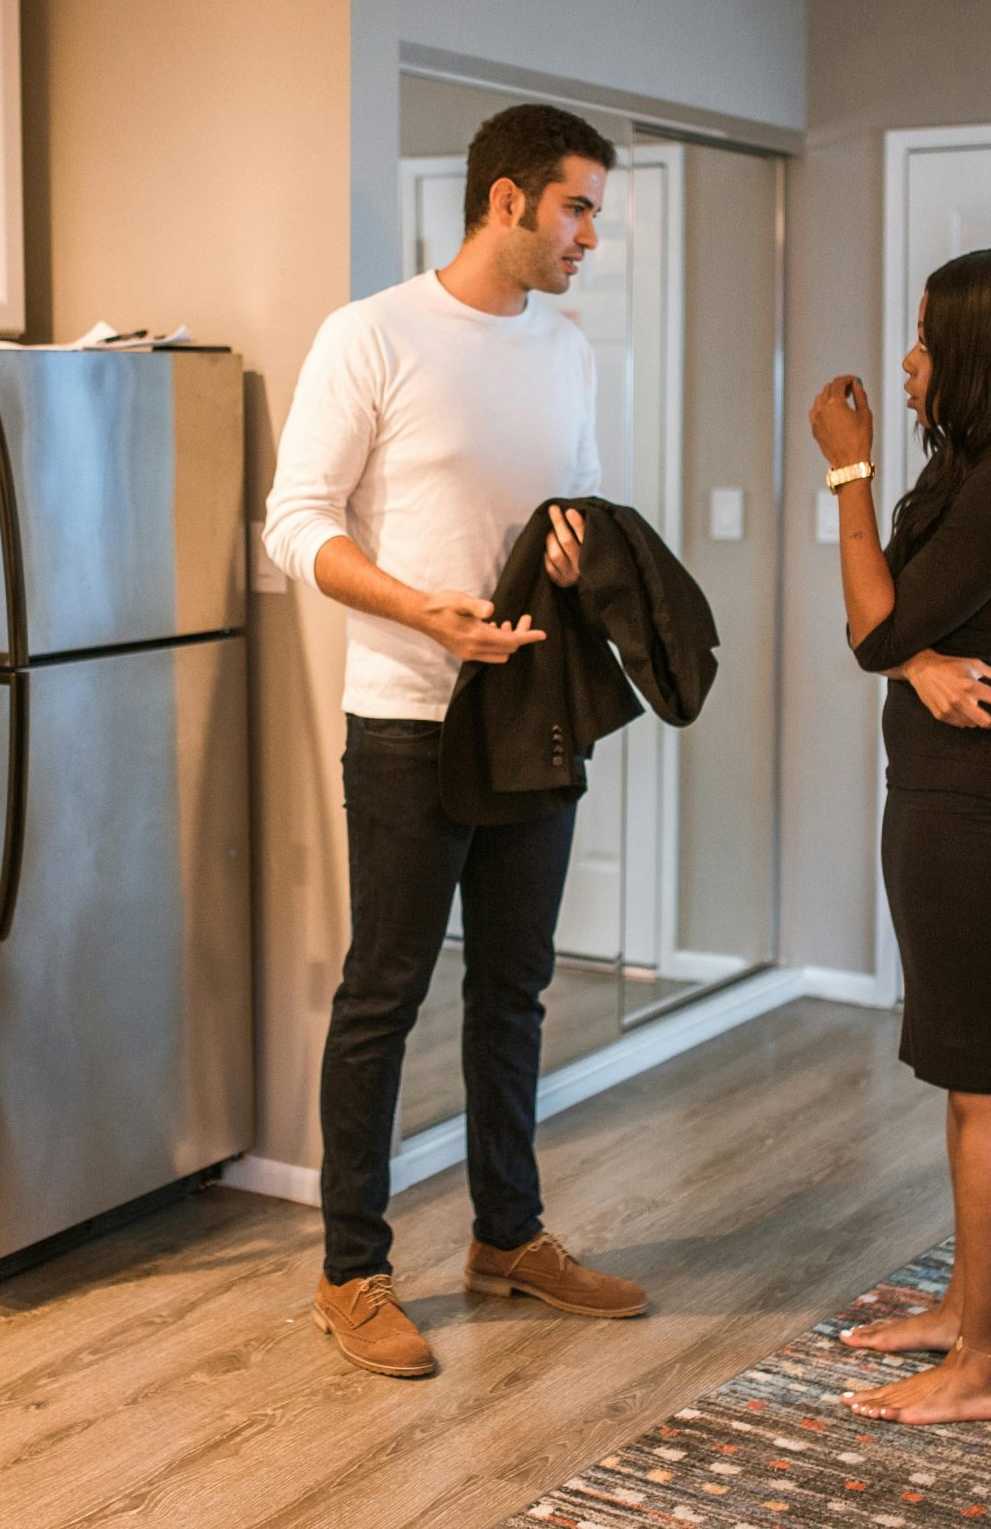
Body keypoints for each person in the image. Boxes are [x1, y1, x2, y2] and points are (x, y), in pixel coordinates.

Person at [263, 103, 651, 1380]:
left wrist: (575, 550)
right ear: (506, 201)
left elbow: (575, 499)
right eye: (579, 207)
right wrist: (418, 608)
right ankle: (350, 1272)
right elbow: (294, 524)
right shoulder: (370, 334)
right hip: (406, 721)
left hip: (531, 718)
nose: (592, 233)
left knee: (516, 993)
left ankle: (507, 1238)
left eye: (594, 209)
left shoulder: (566, 345)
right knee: (383, 995)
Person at [806, 244, 991, 1425]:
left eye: (926, 338)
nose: (908, 358)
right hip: (946, 794)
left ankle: (987, 1367)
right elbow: (900, 636)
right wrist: (917, 653)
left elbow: (870, 624)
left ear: (980, 347)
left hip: (970, 809)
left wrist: (847, 474)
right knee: (964, 1073)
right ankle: (964, 1313)